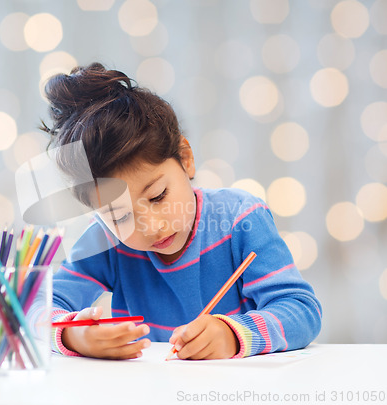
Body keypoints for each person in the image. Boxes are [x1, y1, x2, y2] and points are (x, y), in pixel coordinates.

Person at [40, 62, 322, 360]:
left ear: (185, 158)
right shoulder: (105, 241)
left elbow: (301, 310)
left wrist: (233, 334)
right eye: (119, 216)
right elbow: (34, 307)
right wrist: (72, 333)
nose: (150, 226)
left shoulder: (241, 218)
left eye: (158, 196)